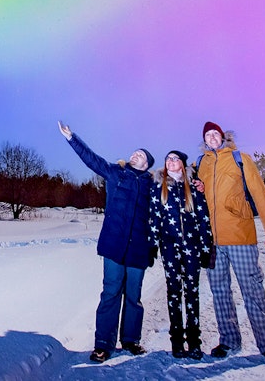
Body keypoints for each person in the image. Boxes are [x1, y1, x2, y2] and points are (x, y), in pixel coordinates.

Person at [58, 120, 155, 363]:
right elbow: (91, 159)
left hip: (138, 250)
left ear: (147, 165)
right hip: (113, 247)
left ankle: (131, 341)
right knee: (110, 293)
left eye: (140, 155)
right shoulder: (115, 172)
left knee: (133, 297)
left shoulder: (151, 185)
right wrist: (72, 138)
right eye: (134, 152)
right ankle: (103, 344)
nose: (135, 155)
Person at [196, 121, 265, 368]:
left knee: (253, 292)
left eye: (215, 133)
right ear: (204, 140)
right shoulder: (202, 163)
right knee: (221, 293)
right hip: (213, 241)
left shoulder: (240, 158)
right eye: (208, 135)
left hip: (240, 236)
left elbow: (259, 193)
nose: (212, 137)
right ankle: (229, 340)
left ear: (223, 136)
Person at [148, 150, 213, 359]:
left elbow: (204, 219)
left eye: (175, 159)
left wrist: (205, 248)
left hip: (192, 247)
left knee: (192, 293)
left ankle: (194, 341)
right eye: (168, 159)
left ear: (183, 164)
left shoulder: (194, 187)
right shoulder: (159, 187)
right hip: (169, 248)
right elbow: (154, 218)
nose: (171, 162)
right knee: (174, 293)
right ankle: (177, 341)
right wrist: (152, 245)